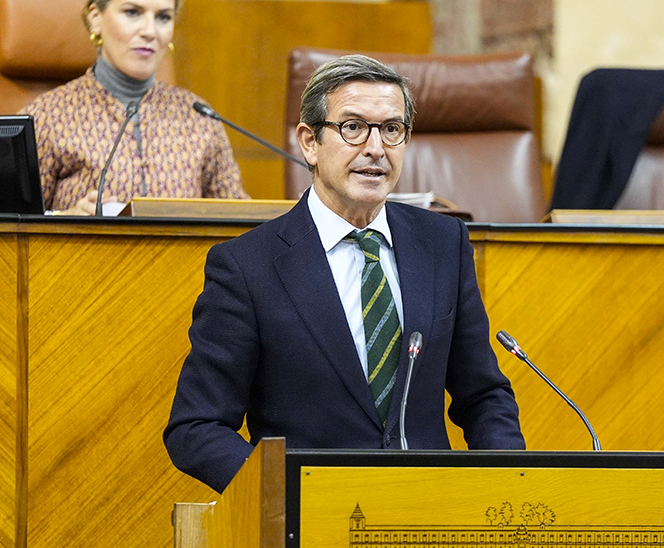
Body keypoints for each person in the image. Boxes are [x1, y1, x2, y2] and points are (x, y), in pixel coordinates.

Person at [163, 54, 525, 493]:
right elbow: (196, 426)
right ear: (309, 142)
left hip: (430, 511)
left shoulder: (444, 244)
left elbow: (483, 396)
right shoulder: (246, 266)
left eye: (392, 129)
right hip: (309, 520)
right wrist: (289, 492)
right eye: (353, 127)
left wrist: (510, 483)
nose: (375, 148)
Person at [19, 0, 247, 215]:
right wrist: (62, 220)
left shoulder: (199, 117)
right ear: (95, 18)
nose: (150, 31)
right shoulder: (46, 117)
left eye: (163, 17)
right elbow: (10, 231)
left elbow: (239, 222)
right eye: (132, 12)